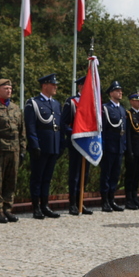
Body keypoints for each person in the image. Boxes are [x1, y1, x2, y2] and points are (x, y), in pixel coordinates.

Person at [0, 79, 26, 223]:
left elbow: (22, 131)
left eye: (10, 88)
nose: (8, 90)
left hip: (14, 148)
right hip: (0, 148)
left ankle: (7, 209)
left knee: (11, 181)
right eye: (5, 88)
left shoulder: (16, 108)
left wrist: (22, 149)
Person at [24, 73, 62, 219]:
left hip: (53, 145)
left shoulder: (56, 104)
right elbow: (31, 126)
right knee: (37, 178)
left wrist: (60, 145)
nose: (55, 87)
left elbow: (59, 126)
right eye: (53, 85)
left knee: (47, 178)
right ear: (45, 85)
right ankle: (36, 207)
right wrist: (34, 145)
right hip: (41, 146)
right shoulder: (33, 103)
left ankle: (45, 205)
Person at [60, 76, 93, 216]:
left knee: (85, 174)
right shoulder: (72, 102)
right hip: (76, 142)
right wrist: (75, 133)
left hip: (89, 143)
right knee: (75, 174)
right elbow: (63, 123)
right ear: (80, 87)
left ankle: (81, 202)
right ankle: (73, 203)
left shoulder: (93, 103)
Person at [99, 81, 127, 211]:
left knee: (115, 174)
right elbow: (103, 129)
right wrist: (102, 146)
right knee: (106, 174)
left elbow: (124, 129)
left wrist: (124, 145)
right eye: (117, 91)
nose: (120, 93)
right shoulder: (105, 108)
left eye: (120, 91)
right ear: (111, 93)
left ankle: (112, 199)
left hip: (119, 146)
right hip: (109, 145)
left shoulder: (122, 109)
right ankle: (104, 201)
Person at [123, 91, 139, 210]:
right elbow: (128, 134)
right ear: (132, 101)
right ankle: (128, 199)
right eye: (137, 100)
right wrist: (129, 151)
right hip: (133, 148)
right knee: (130, 175)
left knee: (137, 175)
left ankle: (135, 197)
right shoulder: (129, 114)